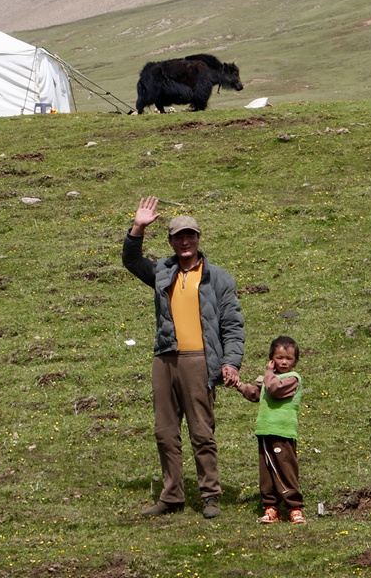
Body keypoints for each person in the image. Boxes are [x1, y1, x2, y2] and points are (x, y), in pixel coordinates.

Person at [121, 196, 245, 519]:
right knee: (165, 431)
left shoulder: (219, 278)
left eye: (190, 235)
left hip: (199, 361)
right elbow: (132, 262)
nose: (185, 241)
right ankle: (172, 496)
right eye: (179, 237)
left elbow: (233, 326)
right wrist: (138, 227)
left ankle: (210, 496)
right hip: (165, 359)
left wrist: (230, 362)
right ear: (171, 241)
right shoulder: (163, 272)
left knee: (202, 432)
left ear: (199, 238)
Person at [232, 335, 305, 524]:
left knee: (285, 468)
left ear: (295, 361)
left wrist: (267, 373)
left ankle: (294, 507)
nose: (284, 362)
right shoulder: (269, 378)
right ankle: (271, 506)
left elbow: (273, 389)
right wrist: (239, 385)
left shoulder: (292, 378)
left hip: (283, 431)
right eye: (279, 357)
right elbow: (256, 394)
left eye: (289, 358)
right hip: (265, 431)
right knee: (267, 471)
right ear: (272, 358)